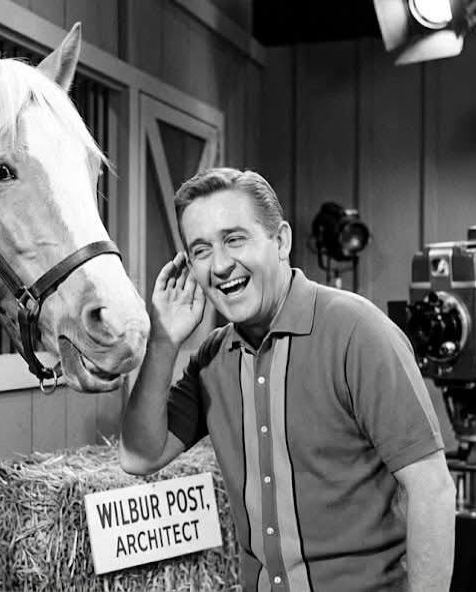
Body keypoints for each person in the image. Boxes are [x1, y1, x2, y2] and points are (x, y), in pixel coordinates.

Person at [119, 168, 455, 591]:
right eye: (200, 250)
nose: (220, 265)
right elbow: (138, 456)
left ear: (280, 241)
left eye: (234, 239)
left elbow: (433, 490)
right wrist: (163, 342)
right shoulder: (213, 358)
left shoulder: (357, 332)